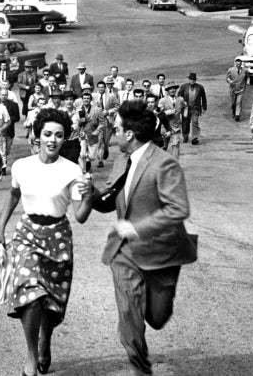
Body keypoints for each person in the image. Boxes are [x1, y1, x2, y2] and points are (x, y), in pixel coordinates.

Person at [90, 100, 198, 376]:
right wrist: (88, 191)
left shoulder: (164, 164)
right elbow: (110, 198)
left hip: (161, 253)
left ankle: (155, 309)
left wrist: (137, 228)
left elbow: (178, 209)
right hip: (124, 251)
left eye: (116, 130)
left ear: (130, 134)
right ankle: (139, 364)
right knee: (129, 313)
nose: (113, 135)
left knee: (158, 317)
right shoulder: (121, 161)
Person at [0, 108, 94, 376]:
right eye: (47, 134)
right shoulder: (22, 166)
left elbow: (81, 216)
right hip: (26, 234)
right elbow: (14, 196)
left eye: (59, 135)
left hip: (58, 238)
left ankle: (45, 340)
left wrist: (89, 195)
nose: (52, 140)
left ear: (65, 138)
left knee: (51, 301)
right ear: (37, 137)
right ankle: (29, 355)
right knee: (30, 295)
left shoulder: (72, 171)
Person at [176, 72, 207, 145]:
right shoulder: (184, 87)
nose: (192, 80)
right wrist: (182, 104)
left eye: (193, 79)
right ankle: (185, 136)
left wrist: (204, 107)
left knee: (195, 122)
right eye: (191, 79)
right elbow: (179, 96)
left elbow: (204, 98)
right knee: (185, 123)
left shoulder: (200, 87)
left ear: (195, 80)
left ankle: (194, 138)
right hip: (186, 109)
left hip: (195, 109)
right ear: (188, 79)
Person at [158, 85, 184, 161]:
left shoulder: (180, 99)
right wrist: (167, 112)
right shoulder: (162, 100)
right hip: (165, 128)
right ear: (167, 91)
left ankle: (175, 166)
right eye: (170, 89)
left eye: (174, 88)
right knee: (163, 147)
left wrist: (185, 114)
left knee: (175, 147)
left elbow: (185, 106)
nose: (172, 90)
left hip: (176, 127)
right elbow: (158, 113)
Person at [225, 57, 247, 122]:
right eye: (237, 64)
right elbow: (227, 77)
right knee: (233, 103)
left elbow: (246, 78)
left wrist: (245, 84)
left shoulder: (244, 70)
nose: (238, 66)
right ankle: (233, 112)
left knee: (239, 102)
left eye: (240, 64)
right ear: (235, 64)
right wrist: (230, 81)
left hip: (241, 89)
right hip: (233, 89)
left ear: (241, 64)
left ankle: (237, 115)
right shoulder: (230, 70)